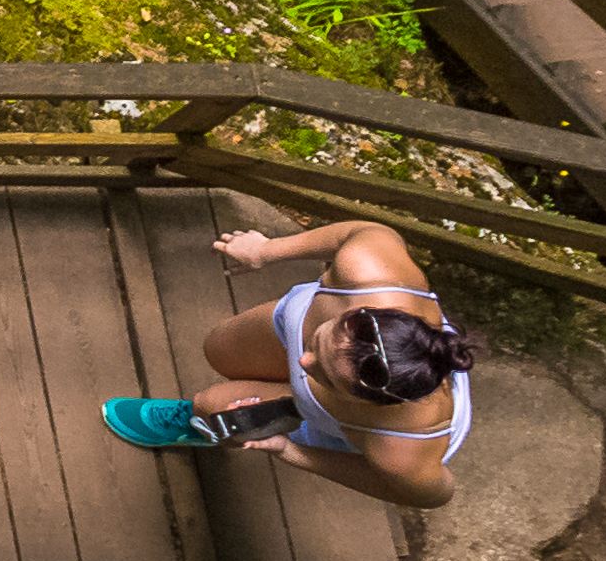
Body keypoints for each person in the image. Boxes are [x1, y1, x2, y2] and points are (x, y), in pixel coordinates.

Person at [102, 214, 474, 508]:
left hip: (334, 419)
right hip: (298, 324)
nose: (303, 361)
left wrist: (292, 451)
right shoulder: (368, 270)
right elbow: (364, 230)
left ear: (369, 402)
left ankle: (195, 425)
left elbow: (429, 495)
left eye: (325, 377)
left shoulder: (402, 449)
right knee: (219, 348)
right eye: (321, 340)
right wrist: (268, 250)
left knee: (212, 406)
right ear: (356, 314)